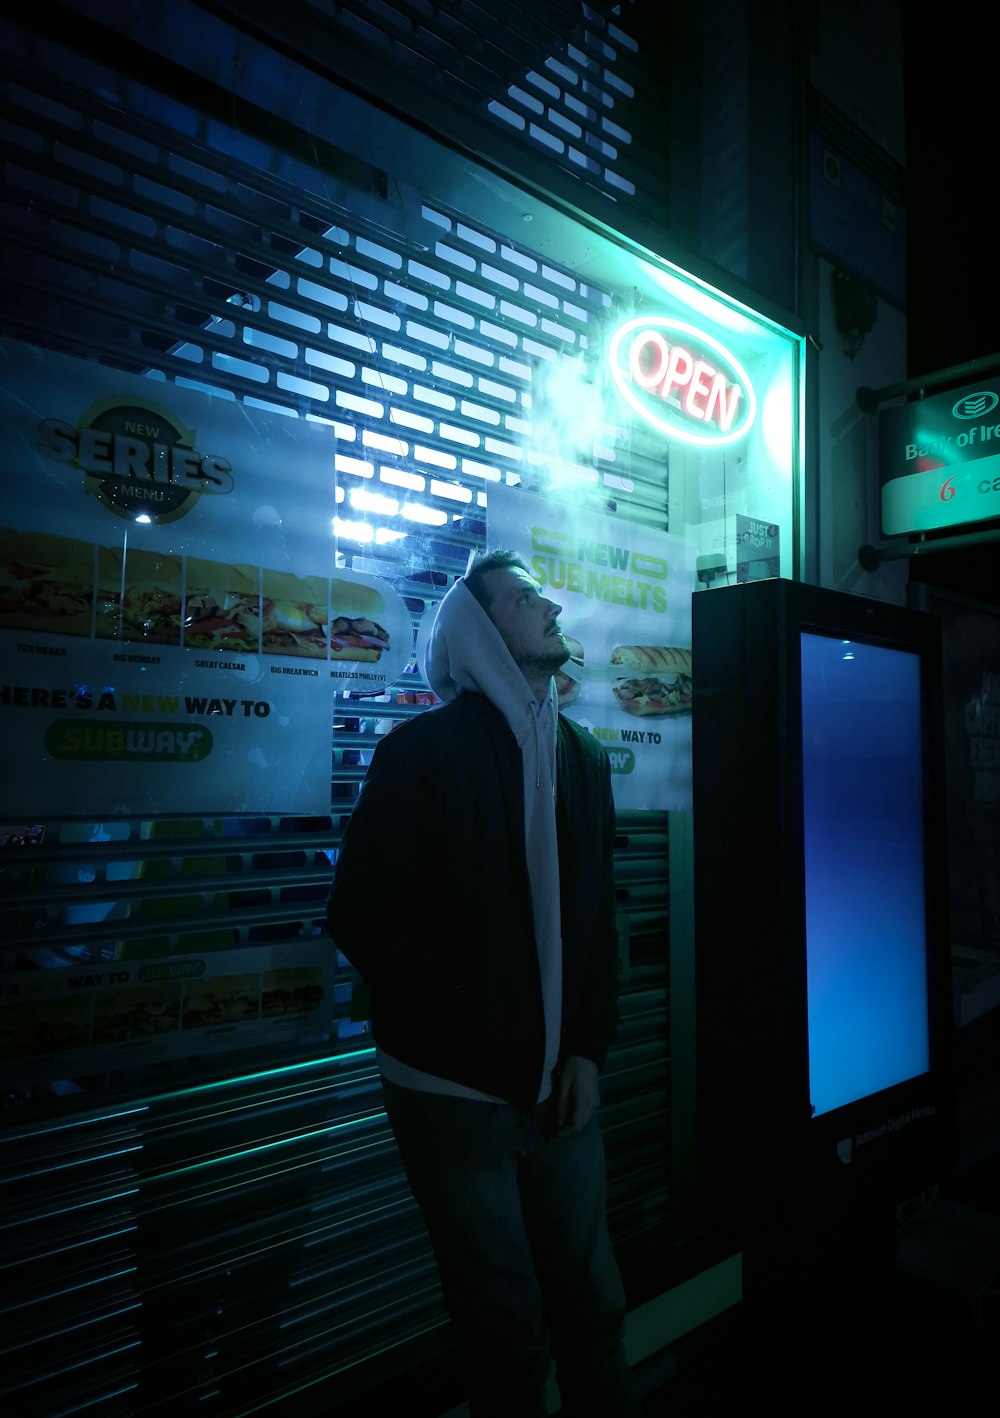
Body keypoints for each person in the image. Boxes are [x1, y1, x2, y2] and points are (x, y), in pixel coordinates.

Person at [326, 549, 640, 1417]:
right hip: (453, 1093)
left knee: (593, 1301)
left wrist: (584, 1048)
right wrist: (471, 1032)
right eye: (520, 597)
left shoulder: (580, 757)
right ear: (475, 632)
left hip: (560, 1087)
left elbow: (592, 925)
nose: (547, 606)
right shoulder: (422, 753)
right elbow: (362, 915)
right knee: (504, 1325)